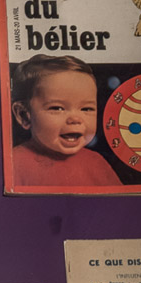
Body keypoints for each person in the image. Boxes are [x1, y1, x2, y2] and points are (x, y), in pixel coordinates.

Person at [10, 55, 121, 187]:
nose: (75, 119)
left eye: (86, 109)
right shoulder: (14, 162)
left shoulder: (96, 162)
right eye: (57, 108)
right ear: (23, 115)